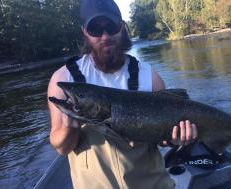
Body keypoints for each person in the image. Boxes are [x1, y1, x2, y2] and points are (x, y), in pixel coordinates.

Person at [47, 0, 198, 188]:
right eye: (95, 29)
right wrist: (70, 127)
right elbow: (61, 148)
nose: (105, 36)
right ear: (84, 32)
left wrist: (176, 140)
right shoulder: (63, 78)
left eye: (111, 27)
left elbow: (163, 140)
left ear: (122, 27)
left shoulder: (150, 76)